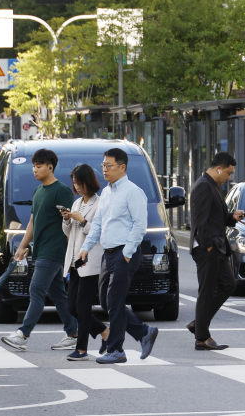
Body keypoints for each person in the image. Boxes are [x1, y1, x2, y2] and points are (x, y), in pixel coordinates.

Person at [78, 148, 159, 364]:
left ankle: (116, 350)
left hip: (125, 253)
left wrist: (127, 252)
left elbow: (140, 225)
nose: (104, 169)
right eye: (103, 165)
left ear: (122, 167)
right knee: (106, 301)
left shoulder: (133, 192)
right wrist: (86, 247)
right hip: (108, 252)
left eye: (109, 166)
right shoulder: (107, 192)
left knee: (114, 300)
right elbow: (98, 223)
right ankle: (143, 332)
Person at [2, 149, 80, 352]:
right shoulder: (38, 191)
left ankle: (22, 335)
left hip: (54, 250)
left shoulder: (61, 191)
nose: (35, 170)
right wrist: (22, 246)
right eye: (33, 166)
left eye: (39, 166)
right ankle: (73, 334)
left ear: (50, 167)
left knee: (36, 290)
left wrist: (74, 251)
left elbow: (71, 221)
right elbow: (32, 222)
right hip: (41, 249)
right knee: (58, 294)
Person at [188, 153, 245, 350]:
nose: (229, 177)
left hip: (217, 247)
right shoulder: (204, 186)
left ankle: (199, 323)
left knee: (227, 285)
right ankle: (202, 338)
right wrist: (208, 244)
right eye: (229, 173)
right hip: (209, 249)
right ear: (219, 168)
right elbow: (200, 220)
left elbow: (215, 216)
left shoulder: (211, 185)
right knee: (206, 291)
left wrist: (232, 217)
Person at [60, 164, 110, 360]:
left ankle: (81, 349)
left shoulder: (100, 204)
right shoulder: (76, 203)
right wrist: (66, 220)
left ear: (88, 181)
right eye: (74, 182)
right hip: (74, 260)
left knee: (82, 307)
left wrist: (81, 221)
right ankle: (105, 333)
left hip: (90, 260)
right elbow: (69, 233)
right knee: (72, 307)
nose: (76, 186)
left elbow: (100, 233)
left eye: (79, 182)